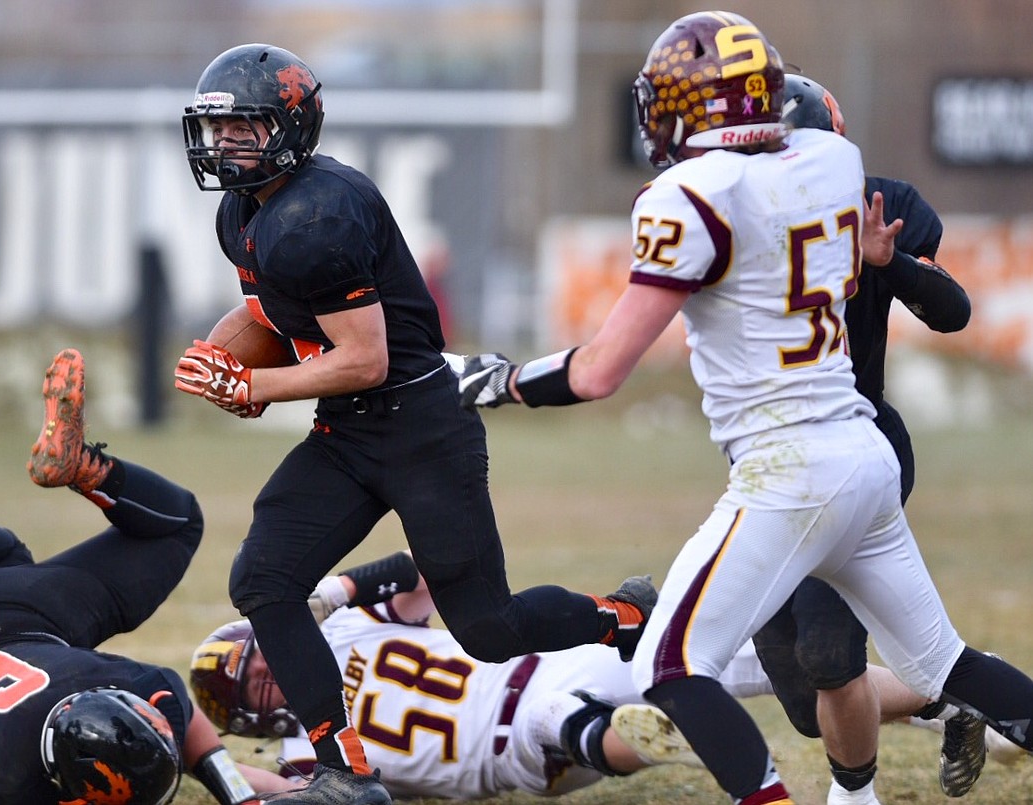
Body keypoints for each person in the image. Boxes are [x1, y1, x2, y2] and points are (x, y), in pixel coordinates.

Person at [458, 11, 1033, 805]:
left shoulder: (688, 197)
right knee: (946, 666)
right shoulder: (835, 160)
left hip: (786, 468)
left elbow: (597, 373)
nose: (659, 115)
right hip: (861, 451)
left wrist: (498, 380)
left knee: (669, 665)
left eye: (671, 99)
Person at [172, 43, 656, 805]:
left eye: (246, 128)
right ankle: (345, 769)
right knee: (263, 581)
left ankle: (623, 615)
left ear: (292, 128)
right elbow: (268, 309)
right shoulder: (246, 211)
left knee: (489, 628)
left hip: (422, 428)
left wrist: (254, 385)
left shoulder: (318, 216)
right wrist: (212, 358)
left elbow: (365, 359)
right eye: (220, 128)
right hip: (353, 429)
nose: (228, 144)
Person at [0, 348, 265, 805]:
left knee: (176, 524)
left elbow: (176, 710)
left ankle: (76, 473)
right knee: (10, 558)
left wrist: (240, 797)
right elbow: (178, 718)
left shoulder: (1, 779)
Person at [748, 73, 979, 804]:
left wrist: (891, 262)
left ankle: (856, 793)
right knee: (803, 694)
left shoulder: (884, 205)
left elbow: (953, 310)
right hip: (769, 456)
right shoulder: (743, 210)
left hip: (856, 443)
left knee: (827, 655)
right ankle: (956, 691)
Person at [187, 551, 771, 800]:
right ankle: (657, 737)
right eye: (256, 682)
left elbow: (416, 575)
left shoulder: (339, 631)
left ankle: (834, 672)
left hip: (537, 666)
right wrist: (201, 758)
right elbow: (287, 794)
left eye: (260, 654)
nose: (271, 668)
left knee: (720, 654)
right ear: (250, 715)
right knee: (554, 718)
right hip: (512, 746)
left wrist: (335, 591)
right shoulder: (305, 756)